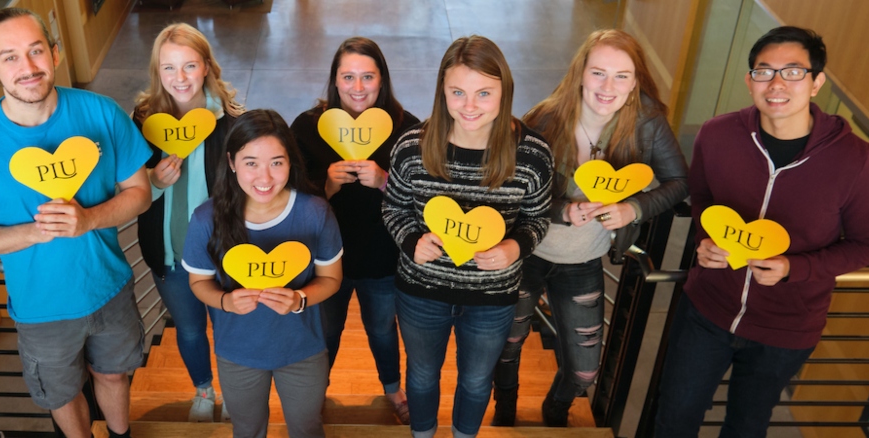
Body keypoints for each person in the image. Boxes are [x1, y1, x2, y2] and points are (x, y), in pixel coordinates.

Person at [654, 26, 869, 437]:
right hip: (706, 311)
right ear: (749, 82)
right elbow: (703, 200)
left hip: (787, 329)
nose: (777, 83)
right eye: (764, 72)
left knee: (747, 427)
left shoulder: (854, 160)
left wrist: (792, 268)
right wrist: (704, 244)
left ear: (816, 83)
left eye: (793, 72)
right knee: (673, 418)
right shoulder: (717, 135)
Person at [0, 8, 152, 438]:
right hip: (40, 309)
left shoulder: (102, 113)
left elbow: (139, 194)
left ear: (54, 53)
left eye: (36, 51)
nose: (28, 67)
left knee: (113, 375)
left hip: (109, 288)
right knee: (61, 393)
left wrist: (88, 219)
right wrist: (38, 231)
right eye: (10, 57)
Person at [492, 29, 690, 427]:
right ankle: (505, 412)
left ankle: (556, 409)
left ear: (636, 81)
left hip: (581, 260)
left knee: (584, 369)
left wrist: (633, 209)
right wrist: (563, 211)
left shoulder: (647, 122)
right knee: (505, 347)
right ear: (580, 72)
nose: (608, 86)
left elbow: (679, 183)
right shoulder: (545, 118)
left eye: (621, 75)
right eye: (598, 72)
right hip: (525, 253)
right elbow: (508, 190)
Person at [382, 36, 553, 438]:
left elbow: (539, 217)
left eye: (484, 93)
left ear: (503, 92)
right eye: (457, 92)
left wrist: (515, 246)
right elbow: (393, 208)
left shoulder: (530, 154)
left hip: (491, 298)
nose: (470, 105)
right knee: (422, 377)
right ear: (442, 91)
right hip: (422, 292)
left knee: (476, 381)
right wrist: (411, 242)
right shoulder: (413, 147)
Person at [183, 109, 343, 438]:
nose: (265, 177)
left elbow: (332, 278)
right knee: (247, 430)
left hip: (304, 350)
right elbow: (198, 282)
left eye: (277, 162)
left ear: (291, 162)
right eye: (251, 162)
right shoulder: (205, 219)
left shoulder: (315, 213)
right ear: (231, 163)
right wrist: (225, 301)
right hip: (237, 352)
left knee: (307, 428)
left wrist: (300, 299)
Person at [289, 36, 419, 423]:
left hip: (382, 256)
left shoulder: (406, 128)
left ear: (383, 80)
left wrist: (383, 181)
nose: (358, 88)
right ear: (334, 79)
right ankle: (316, 392)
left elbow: (422, 200)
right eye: (348, 77)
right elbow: (290, 201)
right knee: (326, 331)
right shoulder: (309, 127)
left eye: (367, 77)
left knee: (382, 329)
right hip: (327, 258)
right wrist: (326, 185)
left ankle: (393, 389)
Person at [132, 22, 245, 423]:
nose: (180, 78)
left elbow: (251, 189)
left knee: (229, 327)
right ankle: (203, 389)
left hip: (223, 256)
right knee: (190, 330)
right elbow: (129, 189)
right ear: (157, 73)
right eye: (169, 68)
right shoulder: (143, 122)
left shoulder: (232, 122)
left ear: (207, 68)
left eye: (190, 66)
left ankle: (234, 391)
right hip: (170, 255)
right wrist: (154, 182)